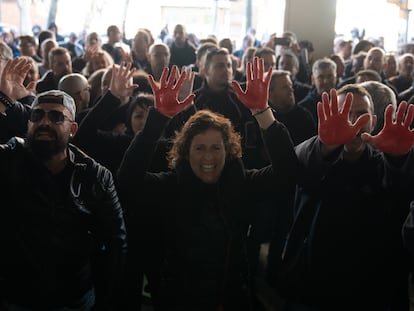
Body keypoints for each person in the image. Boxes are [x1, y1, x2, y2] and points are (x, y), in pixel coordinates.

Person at [117, 58, 299, 310]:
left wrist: (263, 114)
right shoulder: (171, 184)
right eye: (199, 148)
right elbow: (127, 184)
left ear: (229, 151)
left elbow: (288, 174)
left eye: (216, 148)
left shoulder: (241, 183)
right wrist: (156, 121)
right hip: (178, 299)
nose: (208, 157)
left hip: (232, 297)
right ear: (185, 151)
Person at [0, 57, 127, 310]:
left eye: (57, 117)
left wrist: (104, 298)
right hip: (14, 296)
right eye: (38, 115)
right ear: (28, 123)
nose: (45, 122)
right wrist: (3, 99)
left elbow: (116, 242)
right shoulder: (9, 158)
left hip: (74, 298)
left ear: (73, 129)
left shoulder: (94, 175)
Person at [279, 85, 414, 310]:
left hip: (374, 288)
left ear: (372, 119)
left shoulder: (386, 163)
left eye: (361, 114)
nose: (353, 121)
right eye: (345, 113)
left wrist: (400, 159)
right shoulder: (314, 155)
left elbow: (401, 189)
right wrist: (327, 146)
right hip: (315, 286)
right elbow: (298, 166)